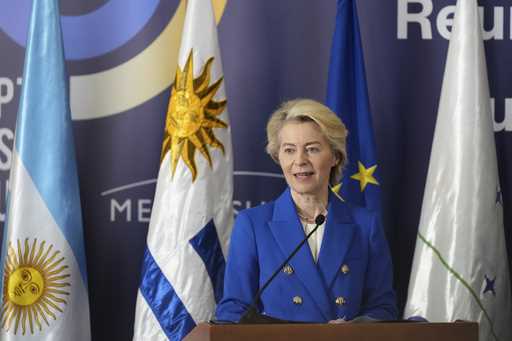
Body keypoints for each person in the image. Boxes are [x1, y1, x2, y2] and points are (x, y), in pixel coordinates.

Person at [215, 99, 397, 323]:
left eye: (312, 149)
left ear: (335, 156)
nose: (299, 161)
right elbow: (234, 310)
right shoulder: (252, 225)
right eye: (289, 150)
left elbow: (382, 308)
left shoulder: (365, 225)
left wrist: (354, 329)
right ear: (278, 157)